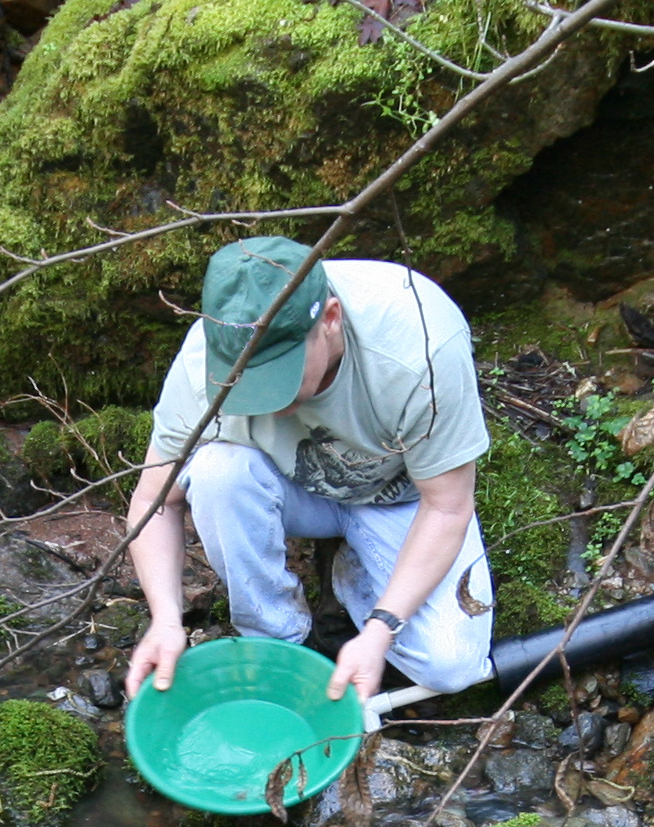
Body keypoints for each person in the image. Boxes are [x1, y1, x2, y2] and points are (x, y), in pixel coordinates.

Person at [122, 237, 497, 707]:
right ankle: (277, 640)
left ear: (331, 320)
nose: (271, 408)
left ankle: (354, 585)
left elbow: (448, 506)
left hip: (402, 500)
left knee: (451, 665)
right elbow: (153, 502)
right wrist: (166, 620)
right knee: (217, 471)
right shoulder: (205, 360)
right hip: (294, 487)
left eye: (280, 379)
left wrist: (381, 631)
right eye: (248, 386)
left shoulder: (418, 343)